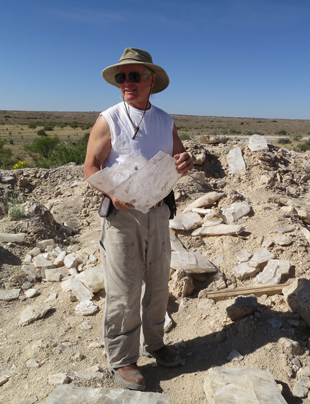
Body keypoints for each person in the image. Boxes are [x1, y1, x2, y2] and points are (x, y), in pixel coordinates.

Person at [83, 48, 193, 391]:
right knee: (124, 288)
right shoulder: (109, 118)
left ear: (150, 80)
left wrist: (185, 161)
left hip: (158, 211)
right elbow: (90, 167)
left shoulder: (165, 119)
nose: (127, 83)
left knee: (158, 282)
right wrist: (112, 193)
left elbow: (179, 156)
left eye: (134, 76)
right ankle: (123, 359)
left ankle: (156, 343)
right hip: (122, 216)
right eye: (122, 77)